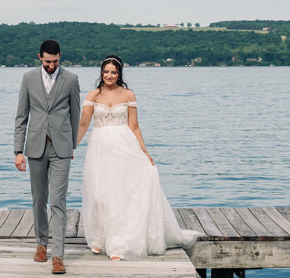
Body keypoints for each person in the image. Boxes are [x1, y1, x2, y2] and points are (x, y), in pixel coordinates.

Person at [74, 54, 199, 260]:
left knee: (120, 193)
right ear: (101, 72)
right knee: (99, 192)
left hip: (124, 146)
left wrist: (144, 151)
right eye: (106, 72)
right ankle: (98, 239)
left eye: (114, 72)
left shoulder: (128, 94)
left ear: (119, 73)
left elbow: (134, 126)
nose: (110, 75)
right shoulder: (93, 95)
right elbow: (83, 124)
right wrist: (72, 146)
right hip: (99, 147)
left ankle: (118, 244)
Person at [13, 39, 82, 274]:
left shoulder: (71, 79)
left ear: (60, 56)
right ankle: (41, 244)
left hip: (61, 148)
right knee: (39, 198)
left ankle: (58, 256)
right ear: (39, 57)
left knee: (58, 201)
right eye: (47, 61)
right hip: (34, 147)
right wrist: (18, 151)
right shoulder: (28, 78)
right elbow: (21, 116)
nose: (51, 65)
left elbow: (75, 114)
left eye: (55, 61)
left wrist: (71, 146)